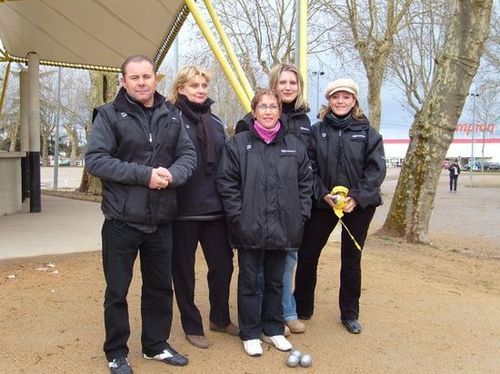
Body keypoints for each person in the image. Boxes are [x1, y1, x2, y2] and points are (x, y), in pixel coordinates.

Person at [85, 55, 196, 373]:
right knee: (117, 290)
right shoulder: (108, 115)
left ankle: (156, 345)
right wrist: (144, 175)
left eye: (147, 76)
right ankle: (116, 351)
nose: (142, 82)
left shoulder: (171, 114)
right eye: (134, 77)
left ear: (156, 79)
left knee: (160, 287)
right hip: (122, 219)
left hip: (161, 218)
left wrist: (174, 174)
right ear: (123, 81)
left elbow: (188, 153)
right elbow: (96, 160)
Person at [217, 89, 313, 357]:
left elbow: (306, 184)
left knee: (275, 281)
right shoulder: (238, 143)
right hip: (250, 226)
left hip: (284, 227)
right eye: (263, 106)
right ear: (254, 111)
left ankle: (272, 328)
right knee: (249, 281)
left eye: (273, 107)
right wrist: (238, 215)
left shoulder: (294, 145)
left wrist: (301, 215)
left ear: (279, 111)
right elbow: (227, 184)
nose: (269, 111)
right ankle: (250, 332)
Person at [294, 78, 386, 335]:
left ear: (354, 101)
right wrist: (323, 194)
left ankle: (349, 313)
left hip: (358, 206)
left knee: (351, 259)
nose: (341, 101)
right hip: (324, 205)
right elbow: (308, 167)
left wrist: (356, 198)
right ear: (329, 101)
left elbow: (376, 170)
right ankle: (302, 307)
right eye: (336, 97)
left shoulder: (369, 133)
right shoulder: (316, 131)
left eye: (346, 97)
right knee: (307, 254)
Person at [235, 63, 312, 334]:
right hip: (257, 211)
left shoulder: (303, 121)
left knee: (286, 265)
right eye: (283, 82)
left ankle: (283, 313)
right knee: (255, 271)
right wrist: (241, 213)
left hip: (287, 211)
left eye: (293, 82)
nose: (288, 87)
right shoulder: (247, 124)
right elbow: (237, 172)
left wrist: (301, 212)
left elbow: (307, 168)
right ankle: (257, 318)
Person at [169, 66, 238, 350]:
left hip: (216, 209)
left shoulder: (217, 121)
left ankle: (219, 319)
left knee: (223, 267)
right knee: (184, 270)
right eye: (193, 85)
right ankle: (192, 325)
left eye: (204, 85)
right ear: (181, 89)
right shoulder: (170, 119)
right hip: (182, 210)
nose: (200, 90)